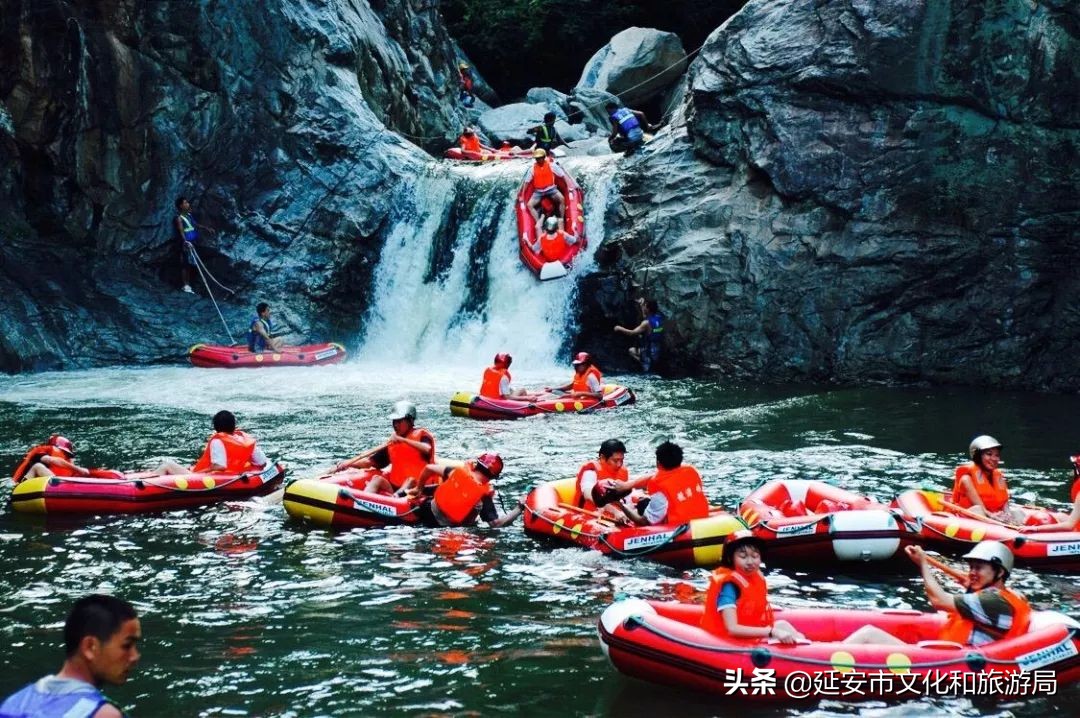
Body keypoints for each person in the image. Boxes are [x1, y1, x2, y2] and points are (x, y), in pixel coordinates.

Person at [844, 542, 1031, 646]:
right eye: (971, 567)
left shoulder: (992, 601)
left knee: (869, 635)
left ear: (999, 572)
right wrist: (973, 585)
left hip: (952, 662)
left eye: (979, 568)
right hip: (953, 655)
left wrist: (923, 563)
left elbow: (938, 600)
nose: (972, 572)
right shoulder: (1006, 596)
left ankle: (819, 661)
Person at [0, 594, 141, 718]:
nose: (135, 656)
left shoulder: (13, 703)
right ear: (90, 647)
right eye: (126, 646)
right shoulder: (103, 714)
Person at [700, 531, 806, 643]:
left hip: (747, 630)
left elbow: (750, 602)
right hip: (726, 640)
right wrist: (771, 632)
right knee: (778, 630)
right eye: (743, 556)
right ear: (731, 558)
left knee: (784, 625)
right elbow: (732, 629)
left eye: (755, 556)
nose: (750, 562)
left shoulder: (754, 576)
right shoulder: (729, 586)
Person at [334, 401, 435, 495]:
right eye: (394, 421)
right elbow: (370, 462)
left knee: (410, 481)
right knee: (377, 479)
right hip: (396, 488)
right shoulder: (392, 443)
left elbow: (427, 449)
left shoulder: (422, 435)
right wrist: (348, 464)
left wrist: (403, 440)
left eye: (399, 421)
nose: (395, 425)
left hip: (418, 490)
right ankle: (362, 503)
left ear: (410, 420)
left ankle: (396, 499)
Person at [413, 453, 525, 528]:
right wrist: (519, 508)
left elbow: (429, 468)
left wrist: (419, 488)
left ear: (477, 465)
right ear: (493, 477)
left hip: (425, 510)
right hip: (441, 527)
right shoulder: (484, 496)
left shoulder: (456, 471)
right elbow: (496, 524)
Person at [614, 441, 710, 526]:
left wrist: (621, 506)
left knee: (642, 505)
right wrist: (628, 485)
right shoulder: (691, 470)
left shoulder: (659, 485)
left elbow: (644, 521)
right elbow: (655, 476)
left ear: (658, 463)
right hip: (702, 517)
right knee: (644, 502)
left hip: (678, 526)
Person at [155, 410, 269, 475]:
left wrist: (198, 473)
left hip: (207, 478)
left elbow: (220, 466)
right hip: (235, 476)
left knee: (167, 465)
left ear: (216, 427)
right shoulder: (244, 439)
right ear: (234, 426)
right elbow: (262, 462)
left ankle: (145, 484)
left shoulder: (218, 440)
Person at [950, 435, 1025, 524]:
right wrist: (995, 517)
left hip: (993, 516)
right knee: (978, 510)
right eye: (989, 454)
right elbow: (981, 509)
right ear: (978, 456)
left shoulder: (998, 477)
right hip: (969, 516)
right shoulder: (966, 479)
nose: (994, 458)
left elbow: (1004, 503)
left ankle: (1025, 532)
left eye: (997, 455)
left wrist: (1007, 514)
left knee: (1017, 512)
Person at [571, 439, 630, 511]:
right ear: (602, 458)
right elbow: (588, 495)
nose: (619, 464)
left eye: (621, 460)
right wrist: (614, 511)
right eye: (615, 460)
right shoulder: (590, 472)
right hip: (588, 515)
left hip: (613, 515)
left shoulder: (623, 472)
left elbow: (627, 499)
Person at [174, 196, 214, 294]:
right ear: (181, 205)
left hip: (193, 243)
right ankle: (186, 285)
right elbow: (181, 231)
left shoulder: (188, 215)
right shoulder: (179, 218)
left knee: (191, 263)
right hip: (185, 244)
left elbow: (195, 225)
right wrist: (185, 241)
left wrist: (206, 228)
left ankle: (189, 284)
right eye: (185, 203)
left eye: (187, 202)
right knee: (185, 264)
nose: (188, 204)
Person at [614, 297, 664, 372]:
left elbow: (632, 333)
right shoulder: (659, 318)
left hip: (649, 352)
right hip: (658, 349)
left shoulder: (646, 323)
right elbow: (647, 317)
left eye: (645, 306)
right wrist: (641, 306)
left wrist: (619, 328)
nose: (643, 307)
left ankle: (643, 362)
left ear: (648, 309)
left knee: (631, 351)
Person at [12, 435, 91, 482]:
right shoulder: (41, 453)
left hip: (45, 486)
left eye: (67, 455)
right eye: (64, 453)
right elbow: (53, 460)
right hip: (24, 485)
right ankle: (59, 486)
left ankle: (60, 488)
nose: (65, 456)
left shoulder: (68, 461)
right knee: (38, 466)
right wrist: (78, 469)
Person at [526, 149, 567, 231]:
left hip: (551, 189)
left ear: (544, 157)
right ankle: (539, 222)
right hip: (539, 191)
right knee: (529, 205)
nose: (538, 160)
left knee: (562, 199)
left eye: (540, 158)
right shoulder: (532, 169)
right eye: (537, 158)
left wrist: (567, 186)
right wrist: (521, 194)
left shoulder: (552, 165)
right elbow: (526, 182)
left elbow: (562, 175)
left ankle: (561, 219)